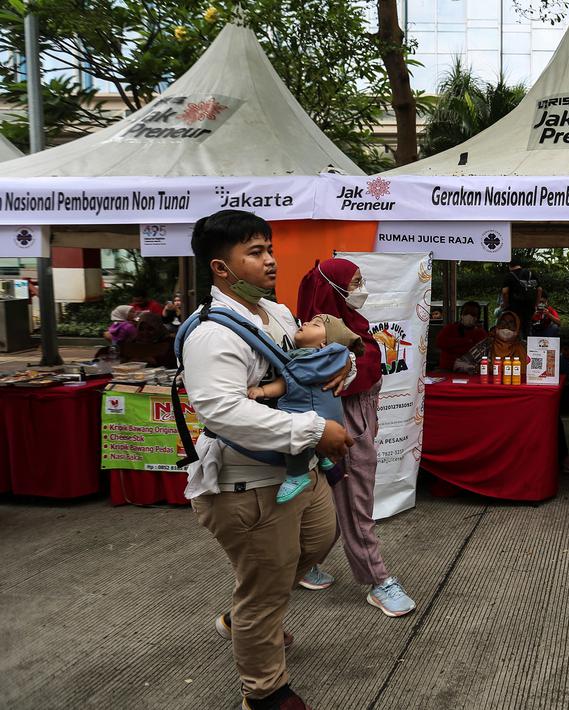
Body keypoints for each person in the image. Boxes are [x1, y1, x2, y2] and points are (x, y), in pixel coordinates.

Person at [181, 209, 354, 710]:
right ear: (221, 268)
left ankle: (243, 616)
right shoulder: (212, 333)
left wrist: (342, 366)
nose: (271, 261)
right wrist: (315, 428)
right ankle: (264, 692)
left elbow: (312, 357)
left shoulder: (275, 313)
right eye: (255, 253)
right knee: (266, 594)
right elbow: (221, 410)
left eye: (269, 249)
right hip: (248, 484)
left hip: (298, 471)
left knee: (320, 540)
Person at [296, 258, 416, 618]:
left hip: (349, 422)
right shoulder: (318, 331)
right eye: (355, 282)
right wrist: (349, 363)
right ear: (332, 289)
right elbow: (339, 373)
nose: (361, 289)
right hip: (344, 428)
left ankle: (301, 566)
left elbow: (365, 366)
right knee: (354, 503)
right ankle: (378, 581)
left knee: (331, 503)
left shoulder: (349, 324)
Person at [246, 314, 363, 504]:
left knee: (297, 439)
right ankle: (325, 459)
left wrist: (262, 391)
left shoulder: (306, 361)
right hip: (331, 414)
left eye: (315, 325)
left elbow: (286, 383)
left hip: (310, 413)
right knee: (315, 439)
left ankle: (297, 475)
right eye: (308, 321)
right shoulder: (330, 358)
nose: (306, 323)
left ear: (324, 344)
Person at [456, 311, 529, 374]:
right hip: (490, 386)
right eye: (503, 322)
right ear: (497, 326)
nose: (506, 326)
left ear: (517, 328)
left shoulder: (525, 347)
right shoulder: (487, 344)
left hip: (518, 386)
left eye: (511, 323)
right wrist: (479, 368)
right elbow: (458, 364)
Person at [437, 301, 487, 371]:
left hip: (470, 370)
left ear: (477, 318)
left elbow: (477, 352)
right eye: (466, 313)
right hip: (447, 369)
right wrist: (466, 341)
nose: (469, 316)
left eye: (473, 314)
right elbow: (440, 342)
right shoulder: (450, 328)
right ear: (461, 315)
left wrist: (452, 346)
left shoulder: (481, 333)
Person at [501, 258, 541, 337]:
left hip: (515, 307)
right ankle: (527, 345)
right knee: (527, 327)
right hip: (529, 306)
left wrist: (506, 305)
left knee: (515, 327)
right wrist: (536, 304)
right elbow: (539, 290)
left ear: (509, 265)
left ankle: (517, 346)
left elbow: (505, 292)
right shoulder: (531, 273)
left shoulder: (509, 275)